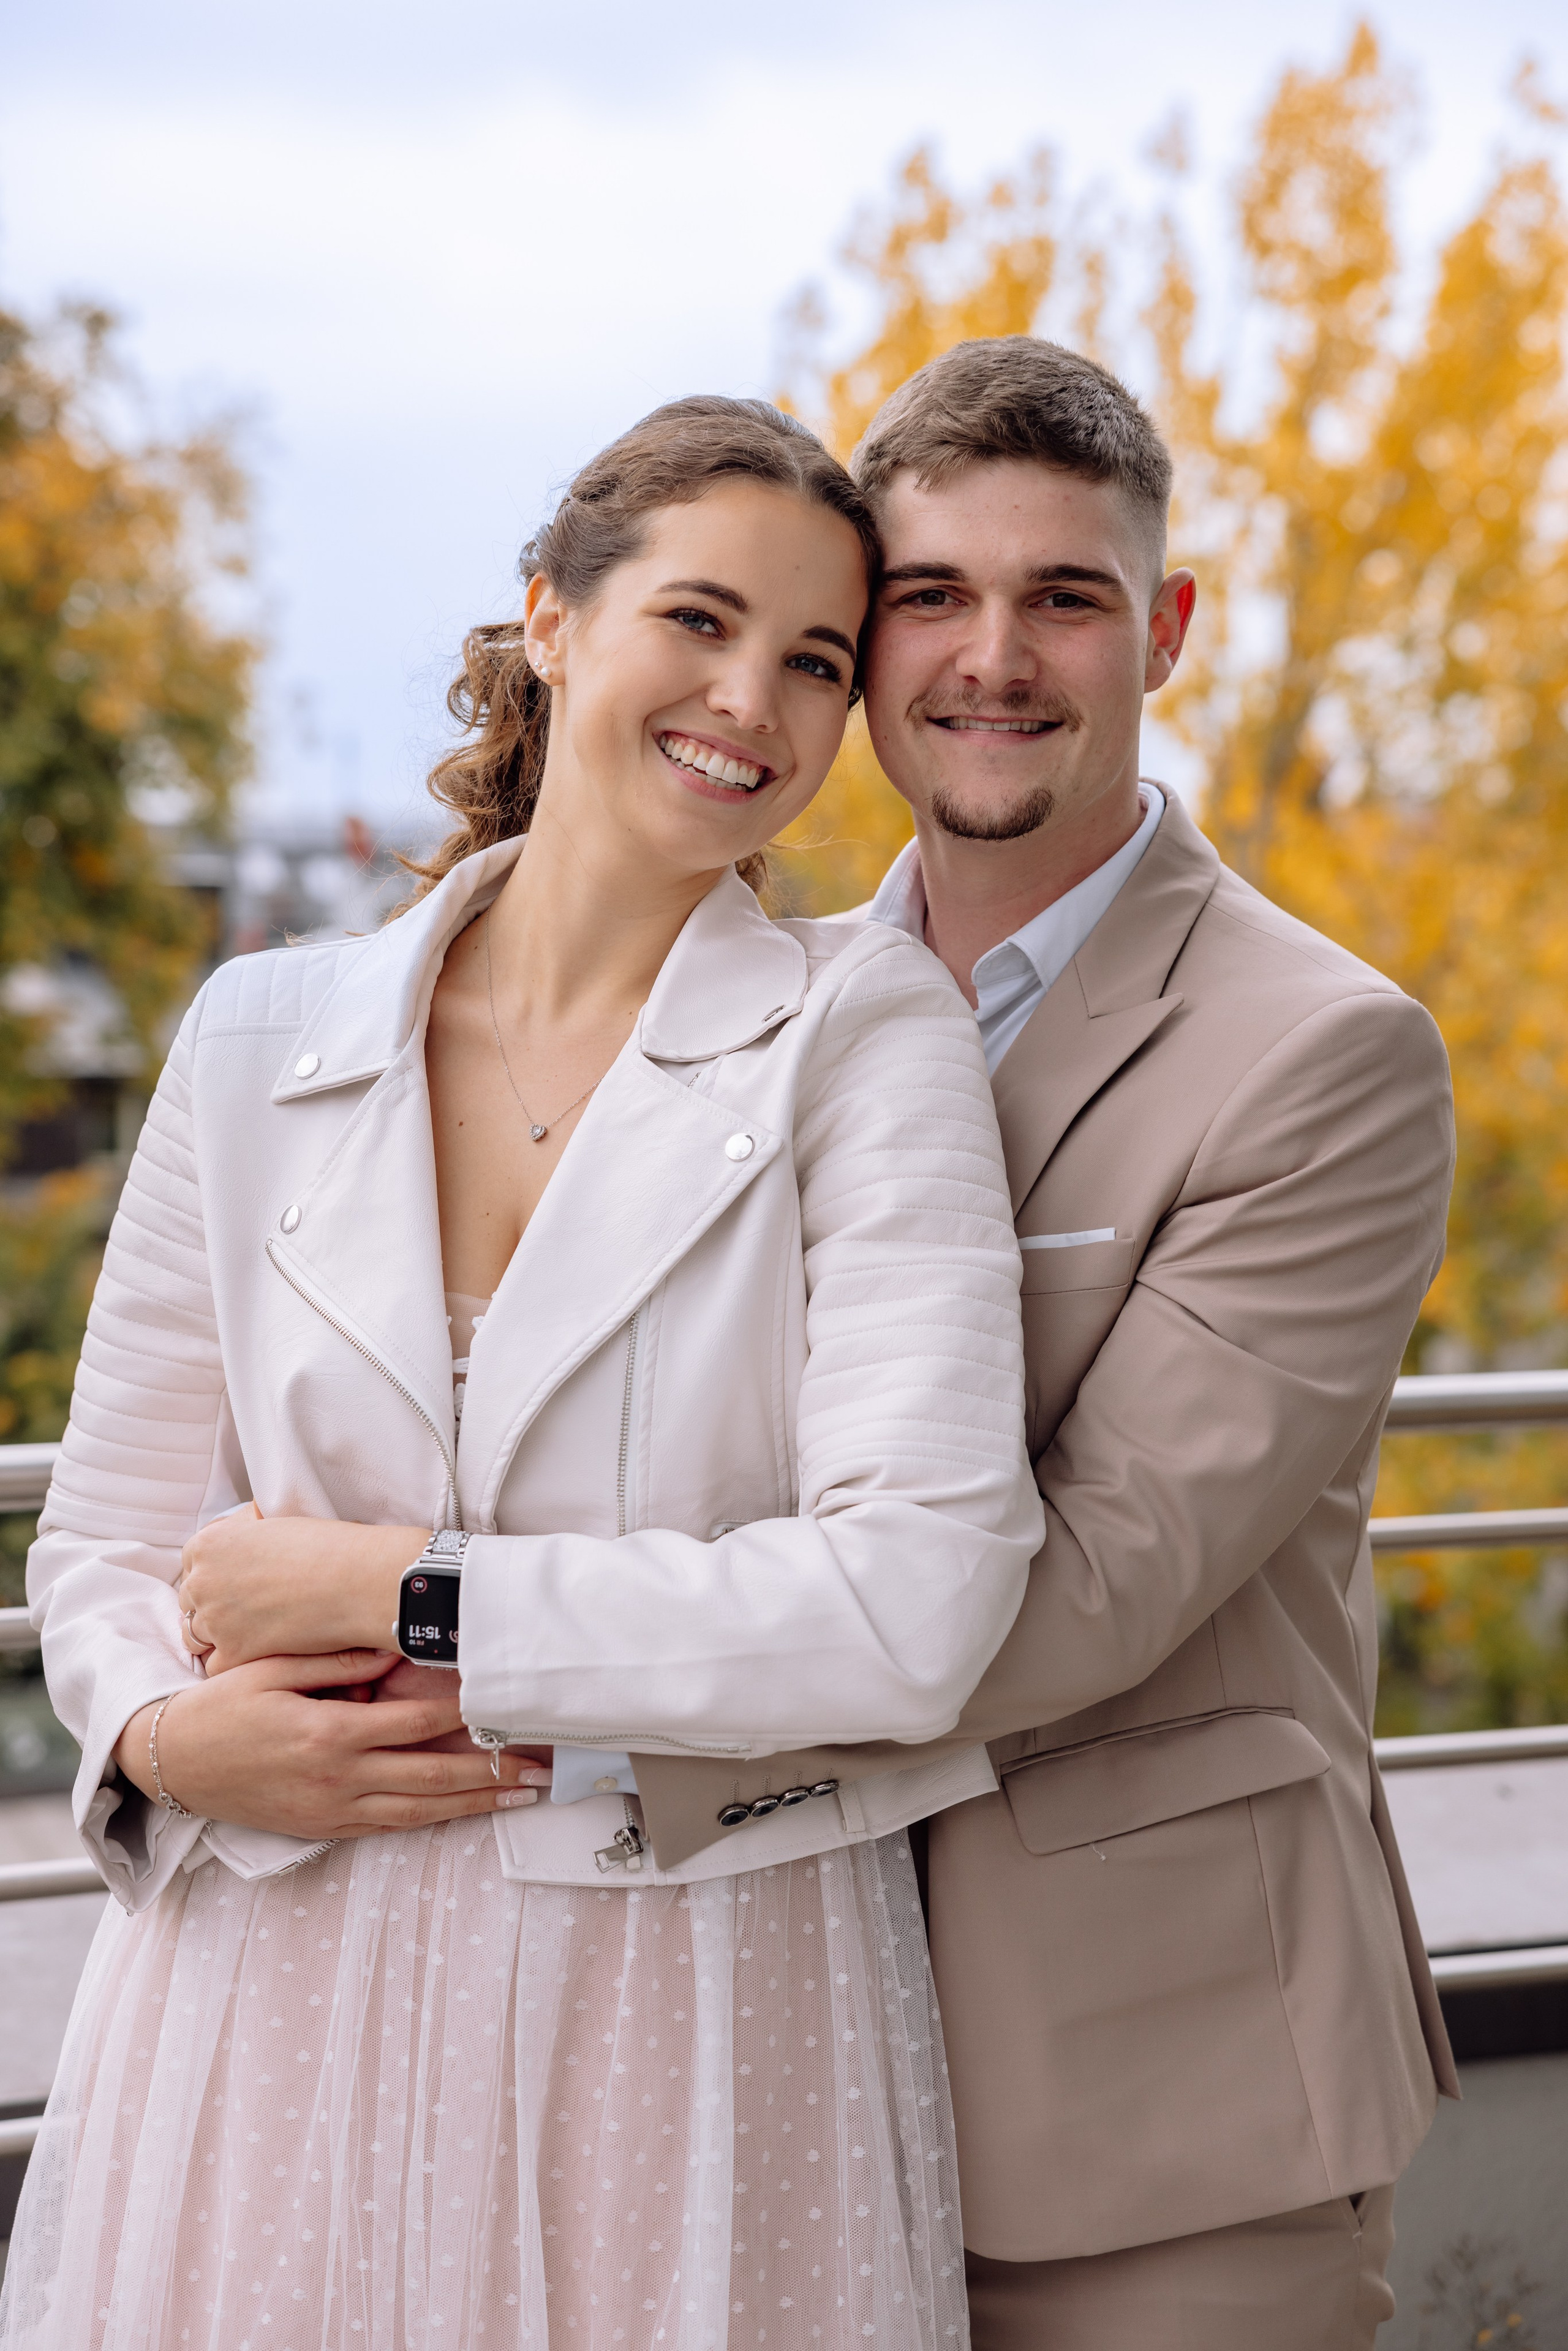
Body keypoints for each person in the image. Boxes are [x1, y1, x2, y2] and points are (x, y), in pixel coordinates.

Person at [4, 396, 1046, 2351]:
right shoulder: (257, 1032)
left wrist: (413, 1596)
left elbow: (919, 1600)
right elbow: (110, 1534)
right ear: (556, 619)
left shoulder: (862, 1031)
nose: (754, 697)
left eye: (819, 662)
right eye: (701, 618)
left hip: (690, 1995)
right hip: (267, 1982)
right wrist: (157, 1739)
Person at [625, 340, 1459, 2350]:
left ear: (1161, 631)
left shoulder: (1325, 1054)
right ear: (858, 642)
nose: (993, 658)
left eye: (1064, 598)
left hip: (1160, 2097)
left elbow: (1090, 1579)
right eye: (932, 597)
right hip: (763, 2041)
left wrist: (545, 1715)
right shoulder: (746, 1008)